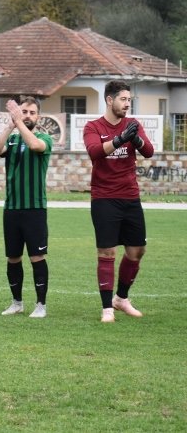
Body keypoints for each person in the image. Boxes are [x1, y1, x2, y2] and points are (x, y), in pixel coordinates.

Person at [82, 80, 154, 323]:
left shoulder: (133, 125)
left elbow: (149, 151)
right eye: (123, 99)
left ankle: (121, 299)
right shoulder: (93, 126)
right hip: (104, 198)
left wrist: (136, 140)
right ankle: (107, 309)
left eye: (129, 100)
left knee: (137, 251)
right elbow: (94, 151)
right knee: (107, 251)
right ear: (109, 100)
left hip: (130, 197)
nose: (127, 104)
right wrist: (119, 139)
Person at [0, 97, 52, 319]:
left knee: (37, 257)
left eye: (31, 113)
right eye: (23, 111)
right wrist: (10, 125)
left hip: (34, 209)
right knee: (13, 257)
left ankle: (41, 305)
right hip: (12, 209)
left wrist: (19, 122)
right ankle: (16, 302)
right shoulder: (14, 139)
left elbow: (35, 145)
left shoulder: (44, 138)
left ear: (38, 117)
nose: (27, 116)